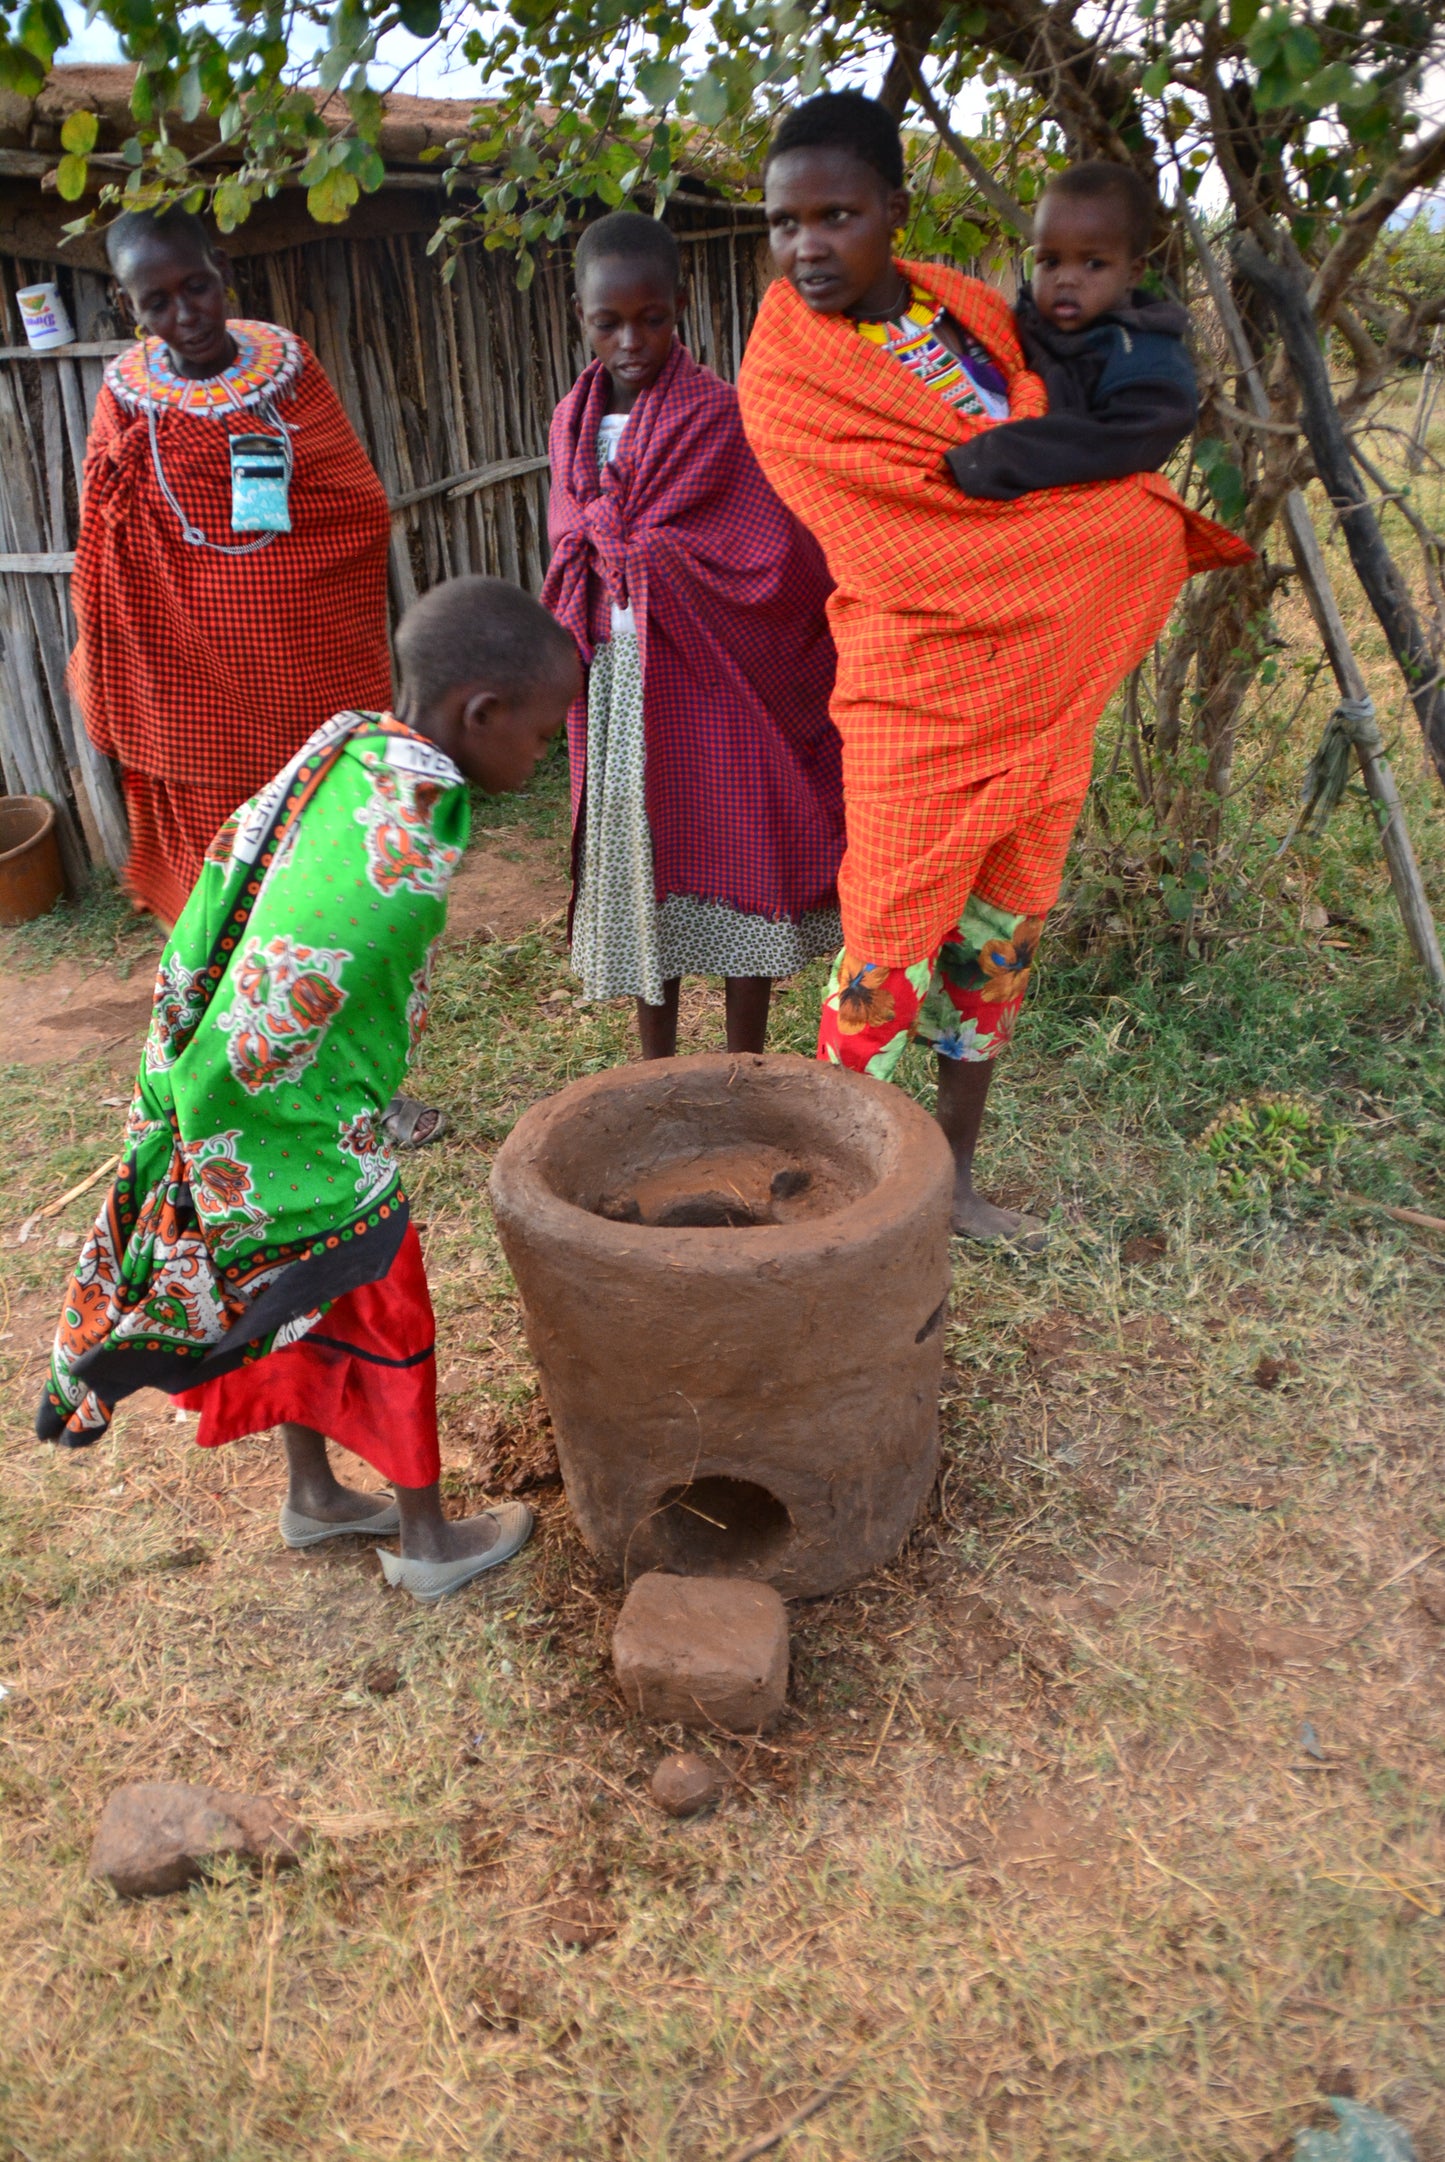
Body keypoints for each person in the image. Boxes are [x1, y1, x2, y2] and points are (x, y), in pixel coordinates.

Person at [738, 92, 1251, 1243]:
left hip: (1041, 693)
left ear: (892, 212)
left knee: (998, 931)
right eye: (783, 223)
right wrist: (1093, 523)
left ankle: (954, 1182)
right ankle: (848, 1207)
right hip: (915, 684)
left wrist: (1086, 522)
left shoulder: (971, 307)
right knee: (881, 947)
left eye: (836, 214)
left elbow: (1062, 432)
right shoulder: (786, 374)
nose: (807, 245)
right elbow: (899, 524)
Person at [37, 577, 583, 1605]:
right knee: (379, 1292)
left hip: (225, 1080)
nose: (543, 754)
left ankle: (315, 1492)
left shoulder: (358, 748)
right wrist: (299, 1140)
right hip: (277, 1113)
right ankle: (425, 1537)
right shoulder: (398, 845)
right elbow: (284, 993)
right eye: (544, 733)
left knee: (292, 1293)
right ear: (481, 714)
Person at [74, 206, 446, 1155]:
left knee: (330, 895)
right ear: (130, 306)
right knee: (229, 904)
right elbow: (107, 546)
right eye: (156, 301)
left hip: (305, 677)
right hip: (191, 695)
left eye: (195, 286)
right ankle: (227, 1099)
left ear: (222, 270)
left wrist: (267, 576)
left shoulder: (287, 369)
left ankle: (361, 1095)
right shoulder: (126, 398)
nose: (184, 312)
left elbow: (352, 506)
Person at [542, 210, 843, 1059]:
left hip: (716, 677)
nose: (631, 338)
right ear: (581, 317)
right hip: (616, 679)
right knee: (646, 867)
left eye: (651, 318)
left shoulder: (722, 417)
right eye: (609, 321)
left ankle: (745, 1065)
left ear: (679, 307)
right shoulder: (570, 424)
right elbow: (572, 541)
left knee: (740, 848)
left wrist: (654, 556)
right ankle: (655, 1072)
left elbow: (770, 557)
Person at [948, 161, 1199, 500]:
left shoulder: (1147, 358)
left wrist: (999, 455)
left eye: (1093, 263)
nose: (1066, 279)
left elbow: (1119, 441)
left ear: (1132, 273)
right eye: (1050, 261)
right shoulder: (1015, 322)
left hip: (1081, 509)